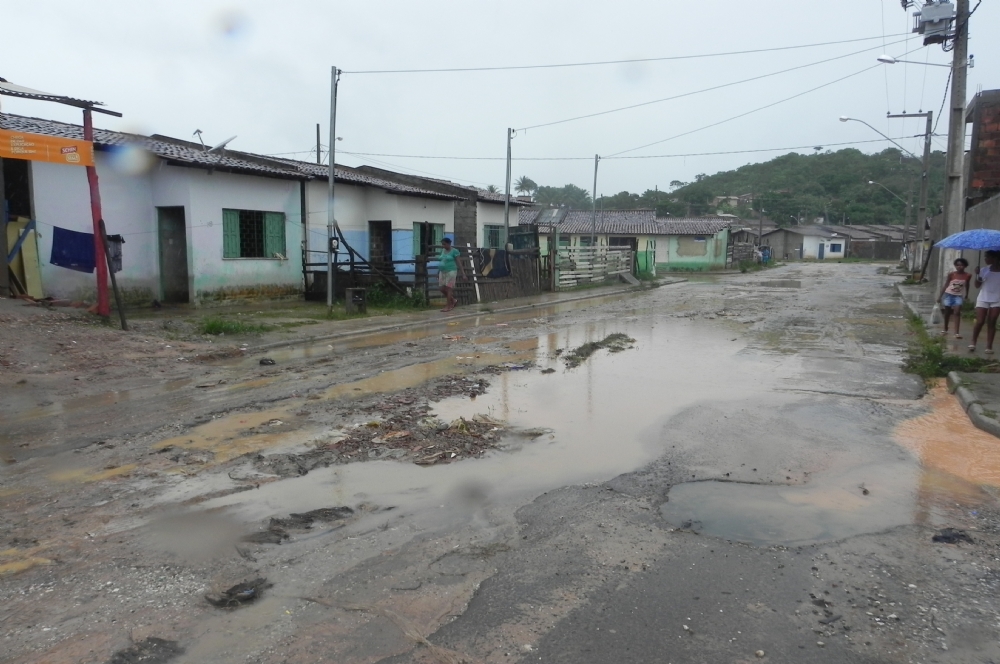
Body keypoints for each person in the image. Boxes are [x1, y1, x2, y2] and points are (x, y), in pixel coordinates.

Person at [970, 250, 1000, 353]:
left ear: (995, 258)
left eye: (987, 257)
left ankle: (989, 346)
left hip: (997, 300)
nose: (985, 259)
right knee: (980, 321)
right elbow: (977, 285)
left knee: (992, 322)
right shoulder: (984, 270)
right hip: (983, 298)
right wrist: (977, 275)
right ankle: (973, 342)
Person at [939, 257, 971, 339]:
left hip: (958, 296)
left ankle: (956, 332)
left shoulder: (968, 275)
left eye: (961, 265)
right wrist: (940, 296)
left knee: (957, 313)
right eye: (957, 265)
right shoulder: (952, 274)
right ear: (955, 266)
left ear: (965, 266)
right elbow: (946, 285)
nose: (959, 267)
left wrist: (967, 294)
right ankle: (945, 329)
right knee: (947, 312)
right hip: (948, 294)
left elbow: (967, 285)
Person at [437, 237, 466, 312]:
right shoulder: (443, 251)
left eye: (444, 244)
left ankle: (448, 306)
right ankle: (453, 300)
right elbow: (442, 260)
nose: (443, 246)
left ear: (449, 244)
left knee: (448, 288)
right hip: (443, 271)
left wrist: (463, 273)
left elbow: (459, 263)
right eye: (442, 244)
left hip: (451, 271)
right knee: (441, 288)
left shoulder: (454, 251)